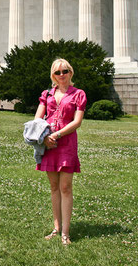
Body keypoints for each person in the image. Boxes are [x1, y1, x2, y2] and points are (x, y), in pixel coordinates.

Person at [34, 58, 86, 246]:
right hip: (49, 144)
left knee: (66, 187)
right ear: (53, 76)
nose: (61, 75)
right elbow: (37, 119)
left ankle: (66, 232)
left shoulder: (78, 94)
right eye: (57, 72)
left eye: (65, 71)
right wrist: (45, 137)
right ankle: (56, 228)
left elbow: (77, 121)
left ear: (71, 73)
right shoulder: (46, 94)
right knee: (54, 187)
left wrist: (56, 134)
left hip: (66, 143)